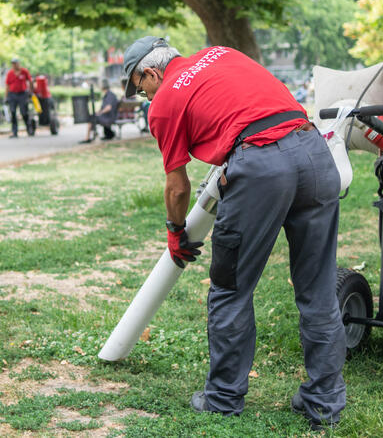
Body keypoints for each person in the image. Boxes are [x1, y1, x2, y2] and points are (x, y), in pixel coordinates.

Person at [122, 36, 345, 428]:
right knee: (319, 288)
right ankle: (324, 402)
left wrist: (176, 231)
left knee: (230, 288)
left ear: (151, 73)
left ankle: (223, 398)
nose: (145, 99)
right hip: (314, 154)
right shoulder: (222, 53)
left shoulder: (166, 101)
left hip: (261, 166)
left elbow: (177, 186)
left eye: (142, 90)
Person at [5, 58, 34, 138]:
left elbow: (30, 81)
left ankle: (29, 129)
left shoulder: (24, 71)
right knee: (13, 112)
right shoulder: (10, 73)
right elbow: (7, 85)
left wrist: (31, 92)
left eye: (16, 63)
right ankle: (14, 132)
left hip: (22, 94)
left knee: (24, 112)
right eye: (13, 64)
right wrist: (6, 97)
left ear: (19, 63)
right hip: (12, 94)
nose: (14, 65)